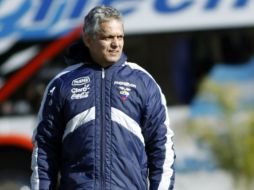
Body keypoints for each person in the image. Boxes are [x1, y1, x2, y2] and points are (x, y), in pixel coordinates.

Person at [31, 5, 175, 190]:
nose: (116, 44)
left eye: (120, 36)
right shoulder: (62, 83)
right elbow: (44, 150)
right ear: (88, 39)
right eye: (108, 37)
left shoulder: (143, 82)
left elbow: (162, 147)